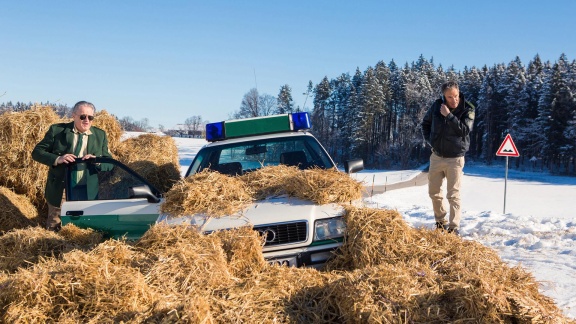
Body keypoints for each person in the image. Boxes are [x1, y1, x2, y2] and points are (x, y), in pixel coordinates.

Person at [32, 101, 112, 232]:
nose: (87, 120)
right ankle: (52, 250)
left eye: (90, 117)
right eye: (82, 116)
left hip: (87, 189)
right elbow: (37, 152)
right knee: (55, 223)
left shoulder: (100, 135)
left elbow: (109, 163)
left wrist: (97, 161)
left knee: (85, 228)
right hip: (61, 187)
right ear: (73, 116)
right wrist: (58, 159)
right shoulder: (57, 130)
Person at [421, 81, 475, 236]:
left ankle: (454, 227)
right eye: (450, 97)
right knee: (434, 192)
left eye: (456, 96)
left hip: (455, 159)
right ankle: (440, 222)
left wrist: (449, 116)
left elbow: (464, 131)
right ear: (443, 96)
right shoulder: (436, 106)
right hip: (437, 157)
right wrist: (431, 141)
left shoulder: (468, 108)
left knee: (453, 194)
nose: (454, 100)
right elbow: (425, 124)